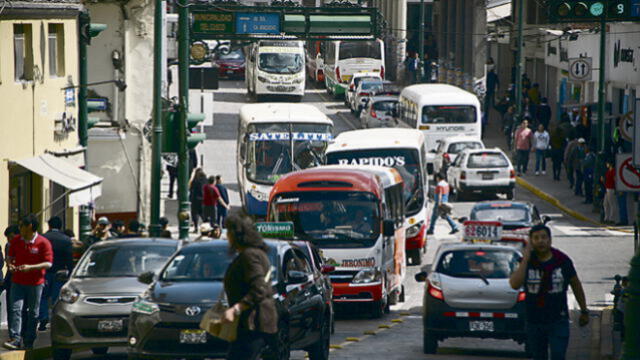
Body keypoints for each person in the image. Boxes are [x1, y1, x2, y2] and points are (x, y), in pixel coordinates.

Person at [509, 225, 589, 360]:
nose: (541, 241)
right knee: (539, 356)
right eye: (536, 238)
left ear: (550, 240)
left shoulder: (562, 260)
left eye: (544, 237)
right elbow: (515, 284)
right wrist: (526, 257)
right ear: (531, 241)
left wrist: (584, 310)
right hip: (534, 321)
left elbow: (576, 284)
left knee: (558, 354)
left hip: (558, 319)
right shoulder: (527, 262)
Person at [222, 212, 277, 360]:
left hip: (253, 324)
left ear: (236, 235)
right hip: (249, 325)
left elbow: (259, 288)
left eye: (228, 232)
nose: (227, 236)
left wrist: (236, 308)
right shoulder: (254, 254)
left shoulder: (249, 256)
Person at [4, 214, 53, 350]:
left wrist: (31, 267)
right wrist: (10, 265)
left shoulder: (43, 242)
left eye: (21, 226)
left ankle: (30, 338)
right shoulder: (16, 241)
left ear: (29, 227)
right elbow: (10, 256)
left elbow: (48, 263)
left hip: (35, 283)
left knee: (33, 312)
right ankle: (15, 338)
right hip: (17, 281)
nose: (19, 229)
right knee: (16, 309)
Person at [37, 216, 73, 331]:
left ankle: (43, 317)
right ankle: (55, 320)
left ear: (49, 225)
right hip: (60, 273)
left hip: (45, 272)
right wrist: (71, 272)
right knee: (56, 298)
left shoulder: (42, 238)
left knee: (43, 296)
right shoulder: (66, 239)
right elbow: (69, 258)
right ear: (60, 226)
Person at [3, 225, 20, 336]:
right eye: (8, 238)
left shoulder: (23, 244)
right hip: (11, 279)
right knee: (12, 307)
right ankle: (13, 333)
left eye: (11, 237)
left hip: (22, 279)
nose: (9, 240)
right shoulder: (9, 245)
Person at [189, 168, 208, 233]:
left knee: (195, 214)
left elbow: (191, 189)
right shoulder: (206, 180)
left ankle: (196, 227)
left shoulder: (195, 181)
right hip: (204, 200)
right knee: (203, 214)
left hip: (195, 200)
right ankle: (206, 226)